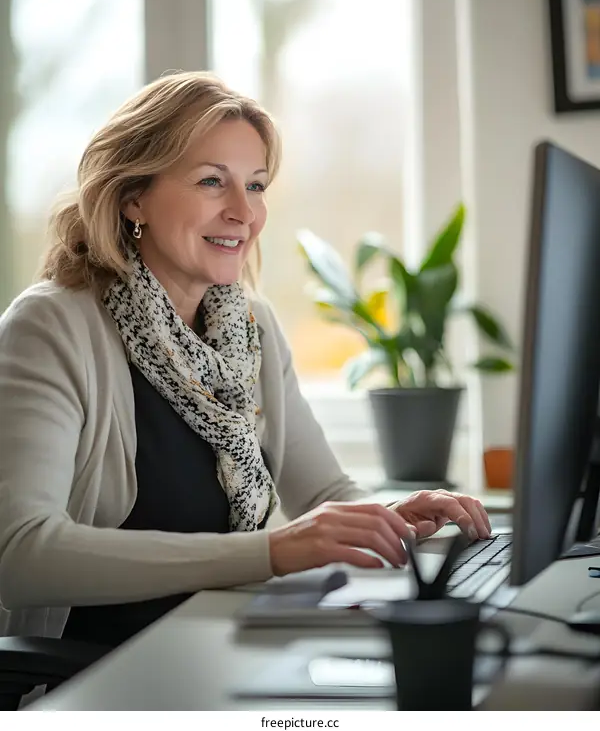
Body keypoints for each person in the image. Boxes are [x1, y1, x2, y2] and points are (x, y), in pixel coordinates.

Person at [0, 71, 491, 649]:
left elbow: (323, 491)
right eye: (212, 181)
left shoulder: (252, 327)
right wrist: (270, 551)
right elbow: (20, 554)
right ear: (134, 195)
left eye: (255, 186)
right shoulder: (51, 326)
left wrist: (390, 516)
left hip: (229, 646)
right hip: (103, 676)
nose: (243, 212)